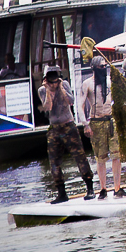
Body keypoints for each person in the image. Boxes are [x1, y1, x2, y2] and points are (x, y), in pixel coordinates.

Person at [39, 64, 95, 204]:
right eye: (50, 80)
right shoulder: (42, 90)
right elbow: (47, 108)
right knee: (54, 162)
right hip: (54, 128)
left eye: (55, 80)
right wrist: (48, 89)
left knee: (80, 157)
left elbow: (70, 102)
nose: (53, 83)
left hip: (68, 126)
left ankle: (90, 188)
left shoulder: (64, 85)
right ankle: (61, 193)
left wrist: (61, 87)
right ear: (46, 79)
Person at [80, 56, 126, 199]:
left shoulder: (110, 81)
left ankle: (117, 188)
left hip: (111, 120)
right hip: (96, 122)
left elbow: (119, 99)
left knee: (116, 155)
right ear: (94, 68)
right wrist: (85, 124)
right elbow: (81, 105)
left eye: (104, 65)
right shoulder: (87, 83)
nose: (103, 68)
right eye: (100, 66)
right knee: (100, 158)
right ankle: (103, 189)